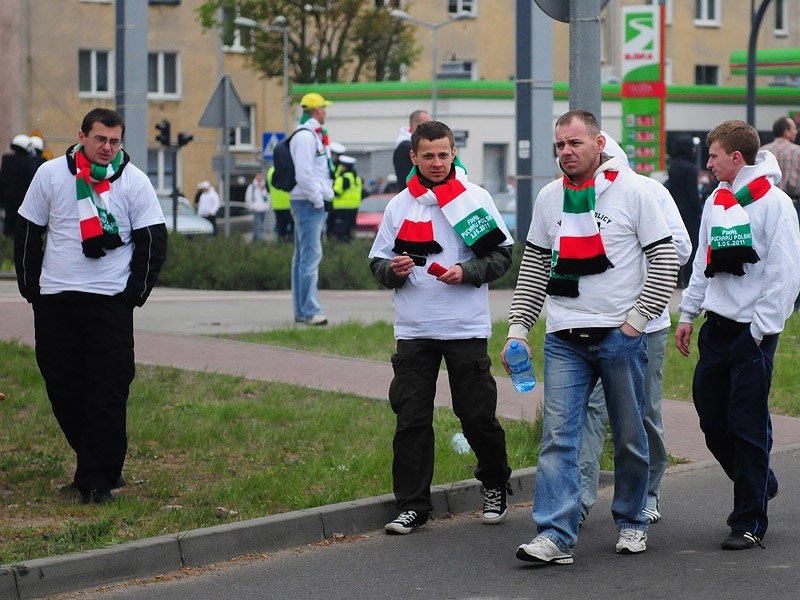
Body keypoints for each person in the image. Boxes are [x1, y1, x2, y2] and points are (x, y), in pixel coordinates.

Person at [505, 110, 679, 565]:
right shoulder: (548, 198)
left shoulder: (635, 192)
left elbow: (665, 261)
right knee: (558, 437)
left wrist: (636, 322)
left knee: (628, 436)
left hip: (619, 336)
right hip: (564, 336)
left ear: (599, 143)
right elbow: (535, 267)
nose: (566, 152)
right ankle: (555, 535)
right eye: (559, 145)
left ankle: (632, 520)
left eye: (575, 143)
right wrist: (518, 330)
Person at [13, 107, 167, 504]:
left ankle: (98, 480)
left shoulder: (133, 181)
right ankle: (96, 463)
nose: (108, 148)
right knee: (62, 385)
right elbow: (29, 230)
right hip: (57, 299)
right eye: (100, 139)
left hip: (109, 301)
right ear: (82, 136)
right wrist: (31, 286)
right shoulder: (50, 175)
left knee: (108, 389)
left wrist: (135, 293)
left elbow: (152, 239)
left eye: (115, 141)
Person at [369, 120, 514, 535]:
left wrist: (466, 270)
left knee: (476, 417)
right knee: (411, 419)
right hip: (413, 330)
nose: (436, 163)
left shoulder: (473, 198)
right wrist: (393, 270)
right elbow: (377, 262)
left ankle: (494, 484)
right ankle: (413, 505)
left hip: (464, 328)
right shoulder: (400, 204)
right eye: (428, 155)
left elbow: (502, 257)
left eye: (443, 155)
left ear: (454, 155)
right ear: (413, 157)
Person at [675, 120, 800, 550]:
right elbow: (702, 262)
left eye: (713, 155)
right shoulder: (718, 199)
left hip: (753, 333)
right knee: (711, 419)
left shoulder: (776, 205)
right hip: (717, 327)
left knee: (747, 427)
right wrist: (688, 314)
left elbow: (784, 274)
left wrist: (761, 330)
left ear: (736, 157)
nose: (707, 163)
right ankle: (761, 480)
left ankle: (748, 521)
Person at [579, 133, 692, 528]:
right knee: (591, 413)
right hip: (593, 324)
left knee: (642, 414)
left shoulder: (647, 191)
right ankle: (578, 500)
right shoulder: (575, 195)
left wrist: (629, 253)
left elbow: (680, 248)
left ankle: (648, 493)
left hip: (646, 324)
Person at [289, 92, 335, 326]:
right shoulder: (307, 137)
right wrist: (319, 199)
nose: (326, 112)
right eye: (324, 108)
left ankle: (302, 310)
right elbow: (304, 174)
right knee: (310, 257)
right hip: (308, 203)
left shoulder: (312, 134)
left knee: (302, 258)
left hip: (307, 201)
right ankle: (311, 310)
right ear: (317, 111)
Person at [667, 136, 701, 287]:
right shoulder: (691, 168)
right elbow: (692, 193)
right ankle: (688, 279)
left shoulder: (673, 166)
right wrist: (699, 209)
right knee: (691, 245)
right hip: (689, 213)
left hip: (675, 210)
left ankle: (675, 279)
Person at [760, 116, 800, 212]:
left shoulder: (762, 152)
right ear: (787, 132)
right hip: (793, 203)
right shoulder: (798, 151)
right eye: (794, 129)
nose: (796, 132)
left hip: (766, 203)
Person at [0, 134, 36, 236]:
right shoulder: (29, 163)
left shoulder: (6, 161)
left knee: (7, 232)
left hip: (8, 206)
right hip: (24, 207)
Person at [393, 109, 432, 190]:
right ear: (416, 125)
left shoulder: (411, 145)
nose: (431, 128)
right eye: (428, 124)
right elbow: (407, 177)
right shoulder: (405, 148)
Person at [331, 155, 362, 242]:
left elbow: (336, 192)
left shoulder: (343, 178)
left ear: (344, 167)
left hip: (341, 208)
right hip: (354, 208)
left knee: (340, 231)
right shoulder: (357, 178)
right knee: (349, 231)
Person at [267, 165, 293, 241]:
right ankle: (291, 244)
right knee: (293, 226)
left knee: (281, 227)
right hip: (289, 204)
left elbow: (268, 189)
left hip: (276, 205)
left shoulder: (270, 171)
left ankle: (281, 244)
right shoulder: (288, 169)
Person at [244, 172, 271, 241]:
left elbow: (268, 197)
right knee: (259, 225)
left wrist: (267, 206)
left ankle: (255, 239)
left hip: (263, 209)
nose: (259, 177)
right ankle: (260, 240)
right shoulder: (252, 186)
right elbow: (248, 197)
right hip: (256, 208)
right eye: (258, 176)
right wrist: (252, 207)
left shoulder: (265, 186)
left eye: (260, 176)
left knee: (259, 224)